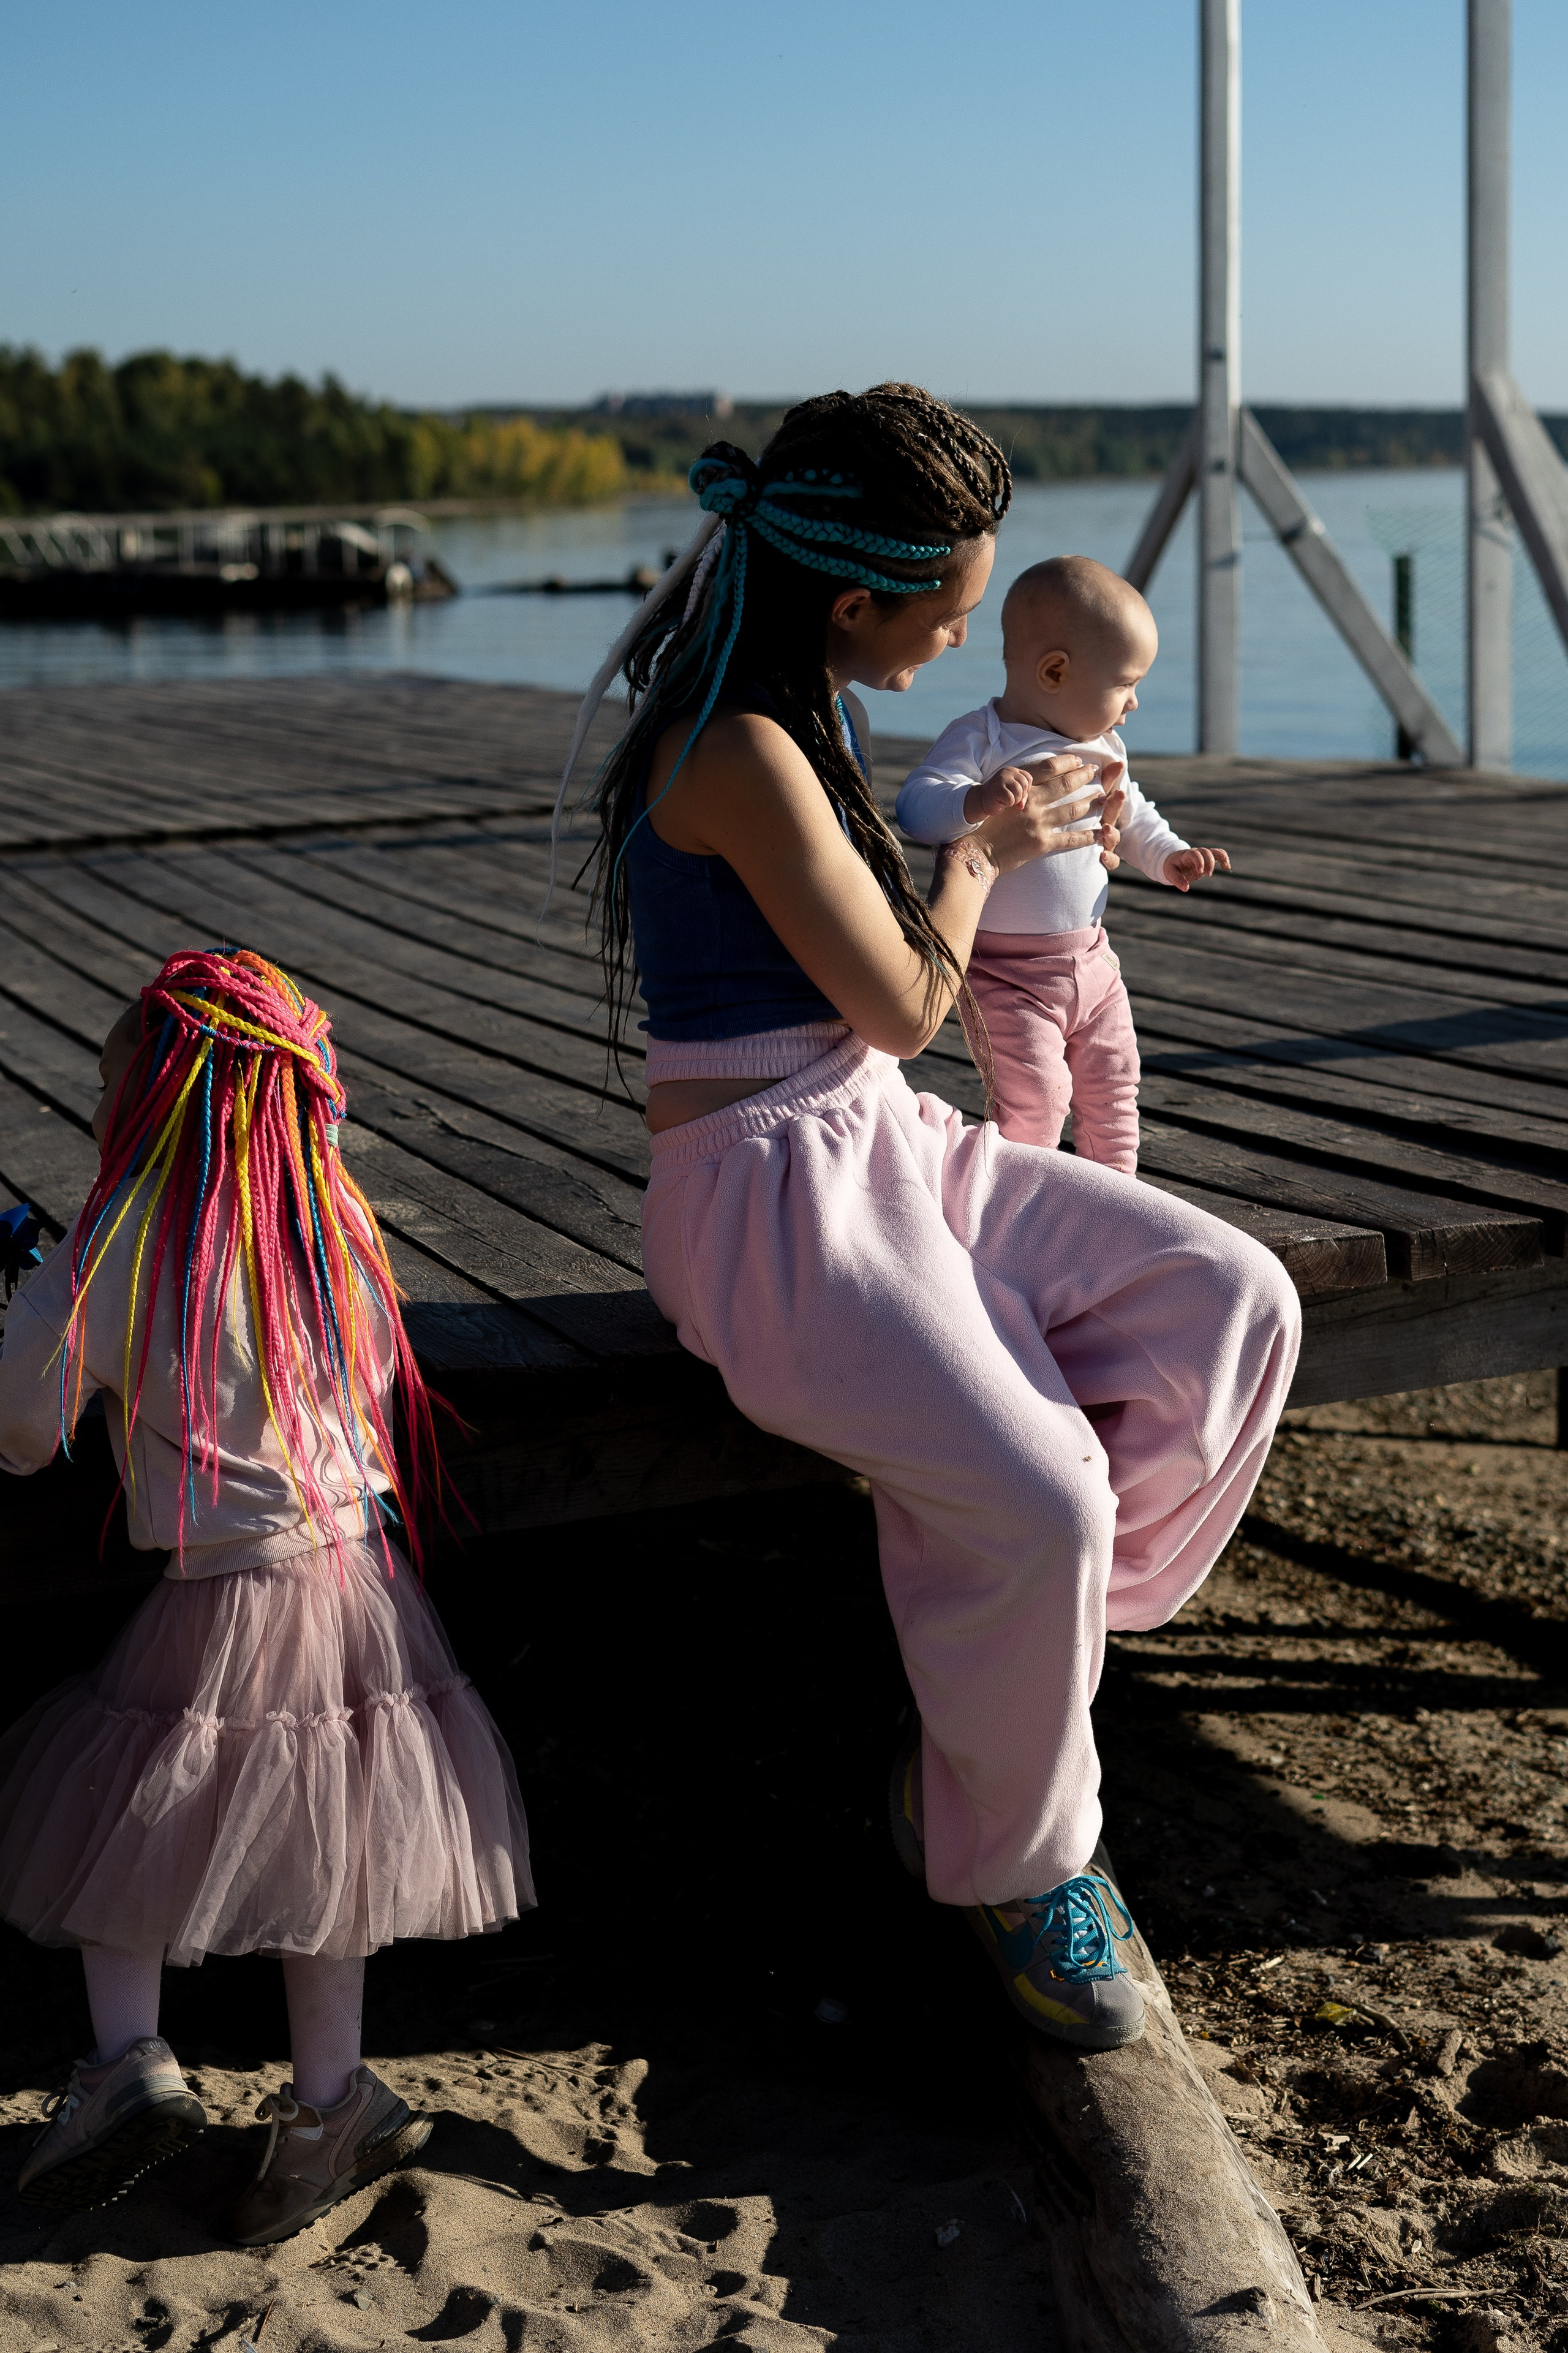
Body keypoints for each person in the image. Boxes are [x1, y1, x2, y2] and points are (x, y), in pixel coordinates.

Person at [571, 383, 1300, 2052]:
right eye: (954, 615)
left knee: (1234, 1300)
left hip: (885, 1140)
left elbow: (890, 1050)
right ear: (852, 603)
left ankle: (993, 1707)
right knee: (1041, 1488)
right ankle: (1020, 1852)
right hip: (770, 1197)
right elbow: (907, 998)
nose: (962, 645)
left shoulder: (810, 704)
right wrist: (982, 852)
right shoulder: (739, 747)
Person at [0, 950, 532, 2234]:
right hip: (358, 1581)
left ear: (150, 1105)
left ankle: (126, 2066)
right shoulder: (334, 1232)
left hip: (230, 1590)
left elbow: (21, 1432)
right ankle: (330, 2100)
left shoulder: (119, 1240)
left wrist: (30, 1289)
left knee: (117, 1806)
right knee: (330, 1837)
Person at [895, 554, 1231, 1170]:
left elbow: (1133, 814)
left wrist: (1169, 856)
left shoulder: (1104, 746)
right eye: (1125, 683)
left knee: (1114, 1089)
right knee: (1035, 1103)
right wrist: (972, 801)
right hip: (1006, 974)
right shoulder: (982, 739)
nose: (1132, 704)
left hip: (1092, 961)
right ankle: (1026, 1204)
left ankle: (1116, 1195)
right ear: (1055, 671)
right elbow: (916, 809)